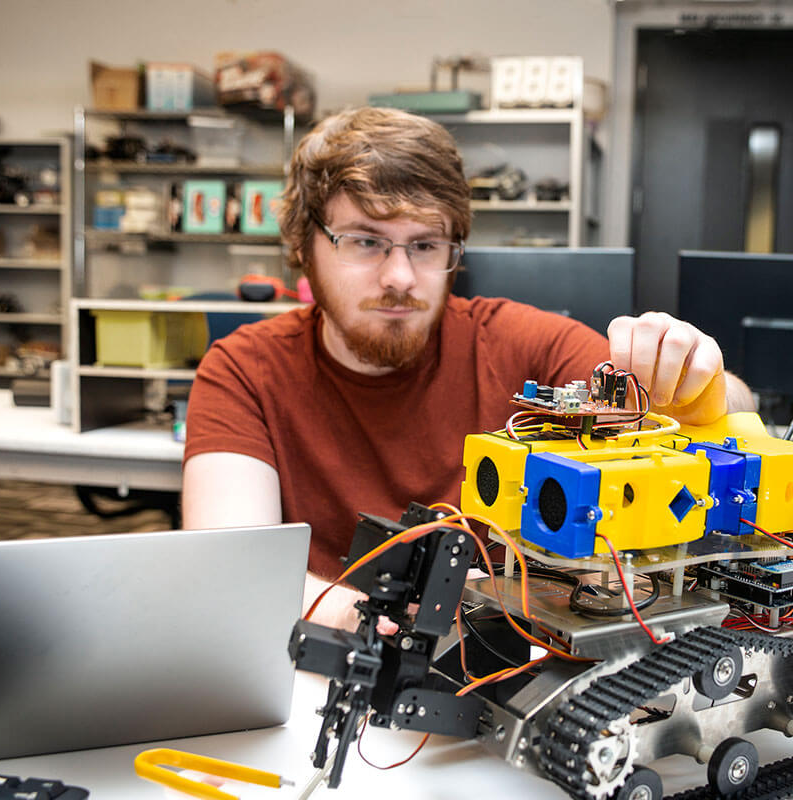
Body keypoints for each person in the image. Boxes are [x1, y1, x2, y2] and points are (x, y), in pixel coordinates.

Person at [182, 106, 753, 629]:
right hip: (320, 685)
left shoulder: (518, 342)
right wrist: (390, 624)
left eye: (427, 246)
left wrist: (696, 381)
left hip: (503, 685)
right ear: (304, 246)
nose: (401, 277)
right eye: (365, 241)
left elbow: (737, 405)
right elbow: (230, 568)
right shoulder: (244, 370)